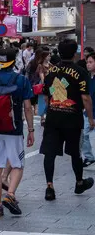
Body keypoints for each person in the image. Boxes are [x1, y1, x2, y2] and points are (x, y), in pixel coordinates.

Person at [42, 39, 95, 201]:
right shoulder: (80, 72)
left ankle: (49, 186)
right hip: (73, 118)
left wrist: (52, 107)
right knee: (75, 153)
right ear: (74, 54)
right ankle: (79, 182)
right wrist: (91, 118)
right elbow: (85, 98)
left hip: (53, 117)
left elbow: (47, 95)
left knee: (49, 153)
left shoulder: (51, 71)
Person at [0, 48, 34, 217]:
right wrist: (30, 129)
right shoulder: (21, 80)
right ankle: (11, 194)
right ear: (15, 61)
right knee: (18, 165)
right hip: (14, 129)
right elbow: (27, 107)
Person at [83, 53, 95, 168]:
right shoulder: (87, 77)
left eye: (91, 62)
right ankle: (89, 157)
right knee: (84, 135)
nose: (88, 64)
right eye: (87, 62)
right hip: (88, 111)